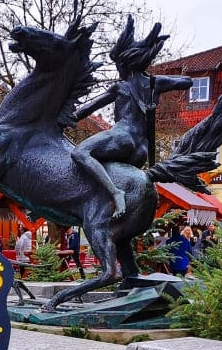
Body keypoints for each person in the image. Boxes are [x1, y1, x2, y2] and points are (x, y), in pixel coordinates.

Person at [70, 16, 191, 219]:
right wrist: (157, 82)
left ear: (124, 64)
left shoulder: (120, 87)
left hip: (123, 137)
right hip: (140, 150)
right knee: (104, 168)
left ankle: (115, 193)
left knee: (80, 154)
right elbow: (186, 81)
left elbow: (87, 109)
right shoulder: (154, 83)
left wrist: (64, 118)